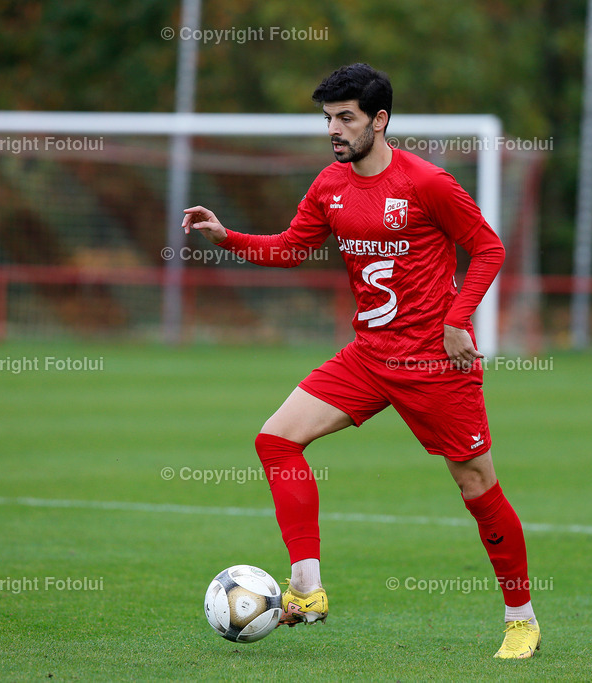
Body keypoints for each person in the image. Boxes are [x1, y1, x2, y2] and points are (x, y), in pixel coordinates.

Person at [182, 63, 540, 660]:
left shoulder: (428, 183)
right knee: (275, 440)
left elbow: (488, 248)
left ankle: (521, 618)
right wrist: (228, 237)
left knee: (476, 484)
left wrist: (457, 320)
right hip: (368, 357)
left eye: (345, 118)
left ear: (380, 119)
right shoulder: (330, 185)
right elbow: (292, 249)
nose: (334, 130)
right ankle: (306, 586)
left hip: (433, 364)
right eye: (328, 119)